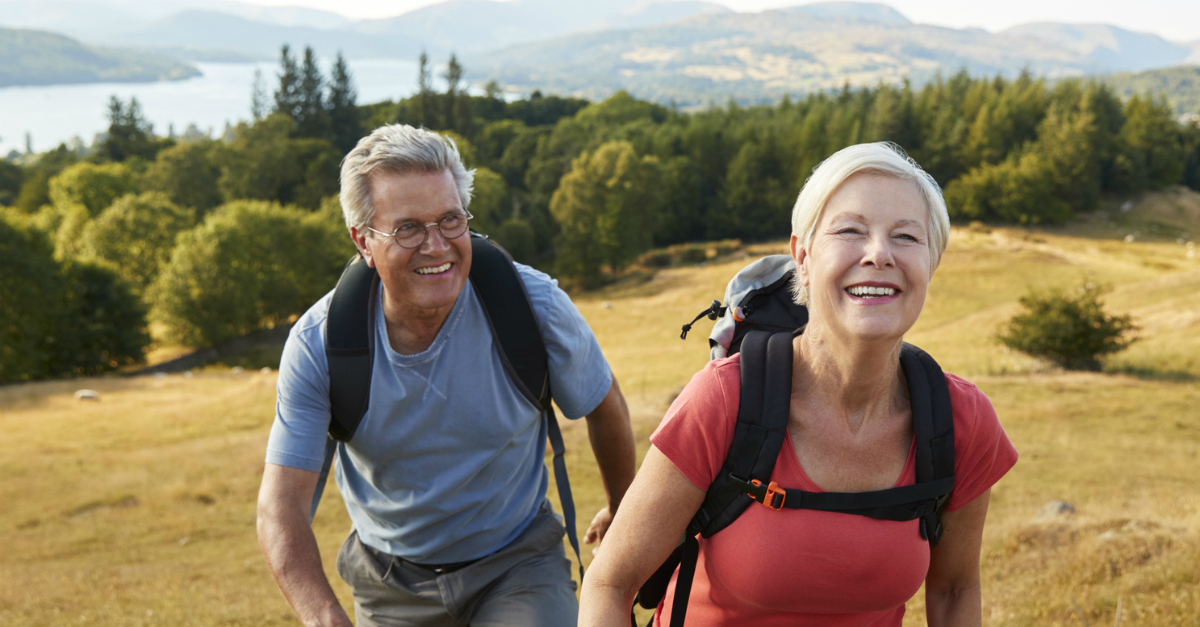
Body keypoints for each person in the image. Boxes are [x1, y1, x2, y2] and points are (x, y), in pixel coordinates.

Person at [579, 142, 1018, 626]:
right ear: (802, 258)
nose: (879, 254)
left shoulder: (959, 422)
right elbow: (609, 583)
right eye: (850, 230)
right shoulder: (725, 400)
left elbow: (957, 589)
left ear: (932, 264)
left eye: (907, 237)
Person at [257, 124, 637, 627]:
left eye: (450, 220)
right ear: (364, 241)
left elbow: (604, 403)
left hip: (518, 564)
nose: (437, 246)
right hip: (387, 583)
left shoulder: (533, 305)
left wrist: (621, 511)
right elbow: (281, 506)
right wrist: (325, 618)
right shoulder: (320, 345)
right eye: (408, 228)